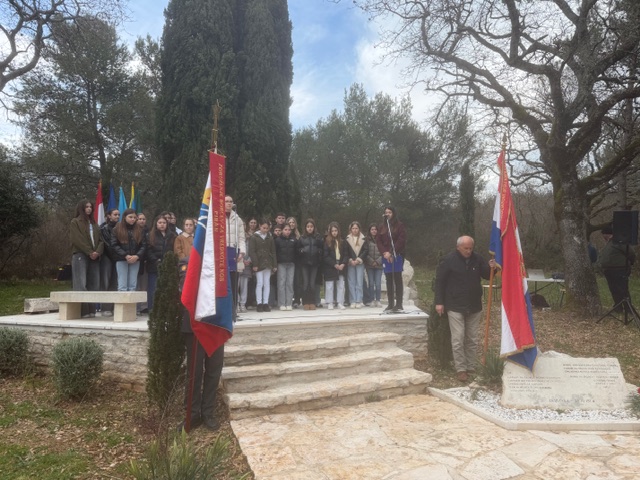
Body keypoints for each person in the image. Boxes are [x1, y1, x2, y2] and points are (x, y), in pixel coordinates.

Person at [434, 236, 493, 382]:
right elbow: (440, 281)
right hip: (455, 305)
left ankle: (470, 366)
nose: (468, 251)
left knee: (472, 338)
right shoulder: (449, 260)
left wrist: (492, 267)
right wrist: (439, 302)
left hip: (474, 305)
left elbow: (487, 275)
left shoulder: (477, 259)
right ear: (458, 247)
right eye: (466, 248)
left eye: (470, 248)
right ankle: (461, 369)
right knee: (458, 338)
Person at [178, 258, 223, 432]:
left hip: (216, 325)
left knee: (213, 370)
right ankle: (193, 413)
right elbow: (185, 288)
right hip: (195, 325)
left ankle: (208, 412)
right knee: (194, 372)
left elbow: (226, 292)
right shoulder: (189, 261)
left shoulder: (221, 263)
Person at [69, 199, 104, 318]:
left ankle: (91, 310)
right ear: (81, 208)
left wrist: (97, 252)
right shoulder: (75, 222)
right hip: (81, 255)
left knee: (94, 284)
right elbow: (77, 239)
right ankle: (83, 311)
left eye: (90, 207)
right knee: (81, 283)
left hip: (94, 256)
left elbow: (101, 240)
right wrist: (89, 252)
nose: (89, 209)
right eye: (86, 207)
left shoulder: (94, 223)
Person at [599, 225, 636, 312]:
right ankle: (618, 307)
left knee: (622, 289)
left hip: (619, 269)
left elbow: (631, 252)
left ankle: (628, 308)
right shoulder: (609, 243)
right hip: (609, 270)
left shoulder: (619, 241)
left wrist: (630, 262)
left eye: (603, 235)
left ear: (607, 234)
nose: (603, 237)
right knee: (614, 289)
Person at [377, 206, 406, 312]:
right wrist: (385, 253)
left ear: (393, 213)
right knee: (388, 279)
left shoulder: (400, 225)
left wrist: (391, 252)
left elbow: (401, 240)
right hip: (386, 256)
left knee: (397, 279)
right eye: (386, 212)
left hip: (396, 255)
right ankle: (390, 304)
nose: (387, 214)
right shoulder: (382, 226)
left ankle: (399, 304)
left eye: (389, 212)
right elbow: (378, 241)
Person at [146, 214, 176, 312]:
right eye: (160, 223)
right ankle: (152, 309)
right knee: (153, 288)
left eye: (164, 223)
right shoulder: (150, 235)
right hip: (154, 266)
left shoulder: (172, 235)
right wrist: (156, 260)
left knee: (166, 288)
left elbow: (173, 250)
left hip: (167, 266)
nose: (162, 225)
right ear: (156, 224)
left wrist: (169, 261)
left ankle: (164, 310)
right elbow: (148, 250)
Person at [111, 208, 146, 292]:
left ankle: (131, 301)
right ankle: (122, 301)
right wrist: (125, 255)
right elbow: (114, 245)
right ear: (124, 217)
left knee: (132, 286)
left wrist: (137, 256)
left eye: (134, 217)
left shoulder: (139, 230)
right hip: (122, 259)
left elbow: (143, 245)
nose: (133, 219)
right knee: (122, 286)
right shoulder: (117, 229)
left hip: (135, 260)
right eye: (130, 217)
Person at [248, 218, 277, 312]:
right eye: (264, 228)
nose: (265, 230)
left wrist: (274, 264)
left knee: (267, 283)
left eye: (267, 228)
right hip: (259, 263)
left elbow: (273, 252)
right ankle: (259, 303)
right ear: (260, 226)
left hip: (268, 263)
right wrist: (255, 264)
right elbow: (252, 251)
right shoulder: (254, 237)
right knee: (259, 283)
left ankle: (265, 303)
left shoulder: (270, 237)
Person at [225, 196, 246, 320]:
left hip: (234, 254)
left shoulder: (238, 219)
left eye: (230, 201)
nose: (228, 203)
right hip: (222, 255)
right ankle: (224, 311)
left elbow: (242, 238)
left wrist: (242, 252)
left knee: (234, 283)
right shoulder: (216, 217)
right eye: (226, 201)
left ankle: (233, 311)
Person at [297, 219, 323, 310]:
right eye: (308, 227)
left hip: (314, 263)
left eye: (311, 227)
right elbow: (297, 249)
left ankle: (312, 302)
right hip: (304, 263)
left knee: (312, 283)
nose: (310, 228)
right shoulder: (302, 238)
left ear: (314, 227)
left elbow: (321, 248)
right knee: (305, 283)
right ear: (305, 228)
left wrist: (319, 251)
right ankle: (305, 302)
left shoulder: (318, 237)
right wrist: (301, 251)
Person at [99, 208, 120, 317]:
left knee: (115, 282)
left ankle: (113, 306)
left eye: (118, 215)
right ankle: (105, 307)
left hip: (117, 257)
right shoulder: (104, 228)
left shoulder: (120, 228)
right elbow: (107, 244)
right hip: (107, 257)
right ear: (109, 216)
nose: (117, 216)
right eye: (115, 214)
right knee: (106, 282)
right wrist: (115, 255)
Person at [323, 221, 348, 310]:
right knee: (330, 285)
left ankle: (340, 302)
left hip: (340, 264)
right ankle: (330, 302)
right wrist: (334, 264)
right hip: (330, 266)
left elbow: (346, 254)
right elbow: (325, 256)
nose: (334, 232)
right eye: (332, 231)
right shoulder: (327, 242)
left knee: (341, 284)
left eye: (336, 231)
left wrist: (343, 263)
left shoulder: (342, 241)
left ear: (338, 231)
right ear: (330, 232)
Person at [346, 221, 367, 308]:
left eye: (356, 228)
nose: (355, 230)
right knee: (351, 282)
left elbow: (365, 250)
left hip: (360, 263)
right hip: (351, 263)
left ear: (359, 229)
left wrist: (358, 260)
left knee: (359, 282)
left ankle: (359, 300)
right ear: (351, 229)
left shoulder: (363, 238)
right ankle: (352, 300)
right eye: (353, 228)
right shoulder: (347, 239)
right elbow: (346, 251)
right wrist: (351, 260)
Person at [275, 224, 296, 310]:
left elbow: (296, 252)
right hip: (281, 264)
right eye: (285, 229)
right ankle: (282, 303)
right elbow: (275, 253)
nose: (287, 231)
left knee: (289, 283)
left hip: (291, 264)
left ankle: (289, 303)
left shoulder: (293, 240)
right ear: (282, 230)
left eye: (289, 230)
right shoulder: (278, 240)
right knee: (281, 283)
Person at [365, 223, 384, 308]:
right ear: (369, 231)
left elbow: (384, 252)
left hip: (379, 265)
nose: (374, 231)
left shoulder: (381, 239)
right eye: (372, 229)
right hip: (369, 265)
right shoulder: (366, 240)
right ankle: (371, 300)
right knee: (371, 283)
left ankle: (378, 300)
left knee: (378, 283)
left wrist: (378, 261)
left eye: (375, 229)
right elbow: (365, 252)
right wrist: (371, 261)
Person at [287, 216, 303, 308]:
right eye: (290, 222)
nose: (291, 224)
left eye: (293, 222)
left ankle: (297, 299)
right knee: (289, 281)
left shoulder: (298, 235)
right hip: (288, 260)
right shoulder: (286, 234)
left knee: (297, 281)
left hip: (297, 261)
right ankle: (289, 299)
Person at [136, 212, 150, 314]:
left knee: (144, 285)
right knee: (135, 285)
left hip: (146, 262)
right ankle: (135, 307)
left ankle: (143, 306)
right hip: (135, 260)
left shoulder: (149, 232)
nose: (142, 221)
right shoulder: (133, 231)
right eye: (140, 219)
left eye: (143, 219)